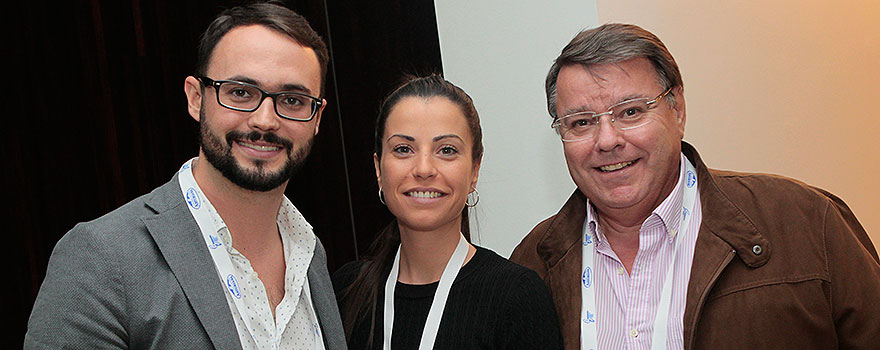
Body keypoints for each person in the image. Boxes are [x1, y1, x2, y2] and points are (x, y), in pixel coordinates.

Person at [510, 23, 880, 350]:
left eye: (631, 112)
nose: (607, 140)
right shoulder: (532, 263)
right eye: (581, 123)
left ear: (678, 111)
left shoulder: (806, 222)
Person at [25, 3, 346, 349]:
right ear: (196, 98)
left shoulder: (310, 254)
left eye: (293, 100)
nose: (265, 120)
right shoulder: (104, 258)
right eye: (240, 93)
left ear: (317, 117)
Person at [332, 75, 562, 349]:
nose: (424, 168)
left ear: (475, 170)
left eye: (447, 150)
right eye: (404, 149)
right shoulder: (346, 290)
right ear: (379, 169)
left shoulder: (515, 296)